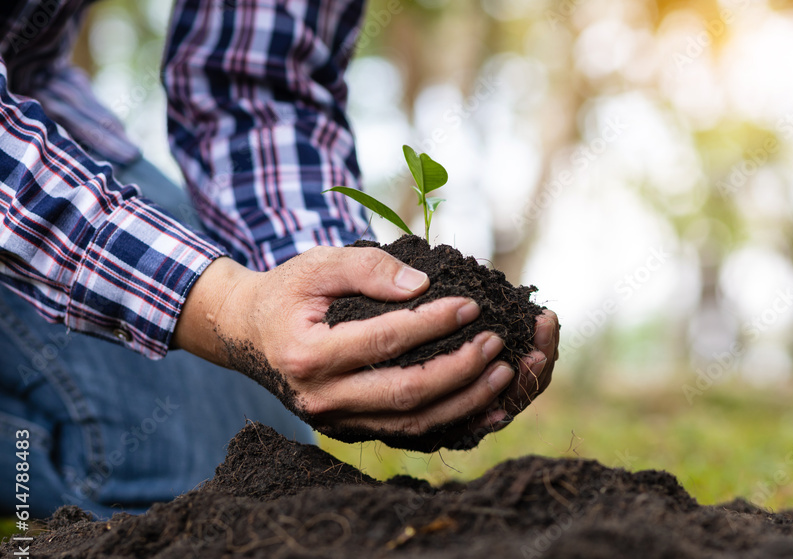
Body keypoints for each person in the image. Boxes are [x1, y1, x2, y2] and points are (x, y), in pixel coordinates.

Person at [0, 0, 558, 520]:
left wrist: (339, 303)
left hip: (44, 117)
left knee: (249, 461)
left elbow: (255, 81)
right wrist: (224, 303)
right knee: (168, 458)